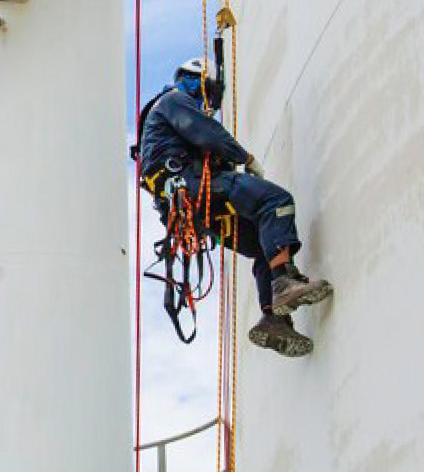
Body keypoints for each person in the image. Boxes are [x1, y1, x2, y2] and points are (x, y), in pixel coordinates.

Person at [135, 57, 333, 357]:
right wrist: (246, 158)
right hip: (192, 187)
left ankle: (274, 319)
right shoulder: (173, 101)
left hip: (194, 209)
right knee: (275, 201)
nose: (211, 104)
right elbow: (208, 134)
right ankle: (284, 281)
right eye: (210, 94)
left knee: (262, 245)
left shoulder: (161, 123)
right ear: (199, 80)